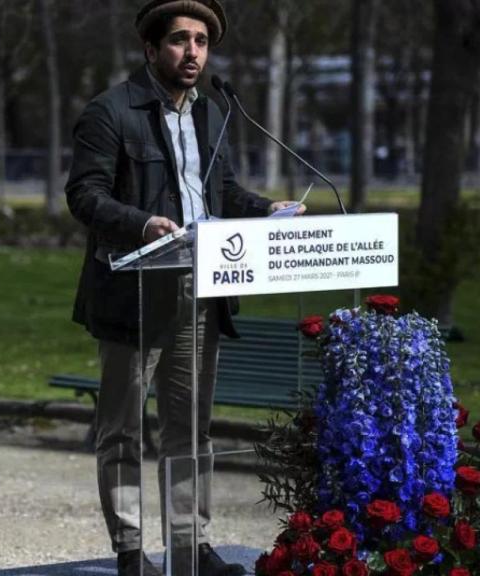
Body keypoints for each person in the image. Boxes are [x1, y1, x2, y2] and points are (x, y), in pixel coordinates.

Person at [64, 1, 304, 575]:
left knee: (190, 426)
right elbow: (85, 196)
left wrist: (266, 209)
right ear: (151, 50)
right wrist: (142, 223)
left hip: (202, 289)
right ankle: (129, 551)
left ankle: (188, 544)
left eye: (201, 41)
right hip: (134, 295)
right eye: (179, 40)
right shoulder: (111, 111)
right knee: (122, 428)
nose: (192, 52)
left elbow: (218, 194)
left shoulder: (212, 112)